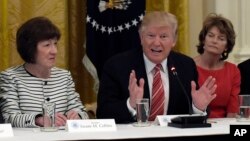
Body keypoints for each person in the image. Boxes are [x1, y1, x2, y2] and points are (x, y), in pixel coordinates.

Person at [96, 11, 217, 123]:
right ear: (141, 38)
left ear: (174, 40)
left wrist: (198, 107)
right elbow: (103, 114)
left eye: (163, 36)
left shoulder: (185, 66)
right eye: (151, 35)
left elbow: (192, 115)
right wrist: (130, 104)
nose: (156, 43)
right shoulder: (117, 66)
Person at [0, 17, 89, 128]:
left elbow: (82, 112)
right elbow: (9, 118)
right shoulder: (10, 77)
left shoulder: (64, 76)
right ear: (30, 48)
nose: (54, 51)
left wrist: (78, 116)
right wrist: (39, 120)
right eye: (47, 45)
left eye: (55, 44)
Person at [193, 13, 241, 118]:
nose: (214, 41)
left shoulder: (233, 71)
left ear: (226, 46)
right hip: (194, 125)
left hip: (223, 128)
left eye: (221, 38)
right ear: (203, 39)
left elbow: (232, 111)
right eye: (210, 36)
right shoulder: (189, 66)